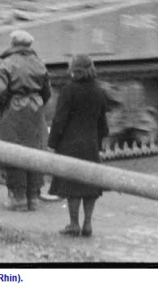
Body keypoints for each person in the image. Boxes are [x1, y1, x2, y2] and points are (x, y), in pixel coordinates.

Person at [0, 30, 53, 212]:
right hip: (35, 110)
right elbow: (47, 92)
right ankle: (33, 198)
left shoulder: (7, 63)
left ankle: (17, 198)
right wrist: (36, 102)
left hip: (14, 111)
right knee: (34, 152)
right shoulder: (39, 63)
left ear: (13, 44)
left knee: (13, 151)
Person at [48, 54, 109, 237]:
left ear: (73, 69)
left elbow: (59, 120)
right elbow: (102, 123)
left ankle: (74, 224)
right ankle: (88, 224)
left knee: (72, 185)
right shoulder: (99, 91)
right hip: (90, 144)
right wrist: (99, 144)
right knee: (90, 185)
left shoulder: (68, 90)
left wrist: (52, 143)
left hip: (70, 144)